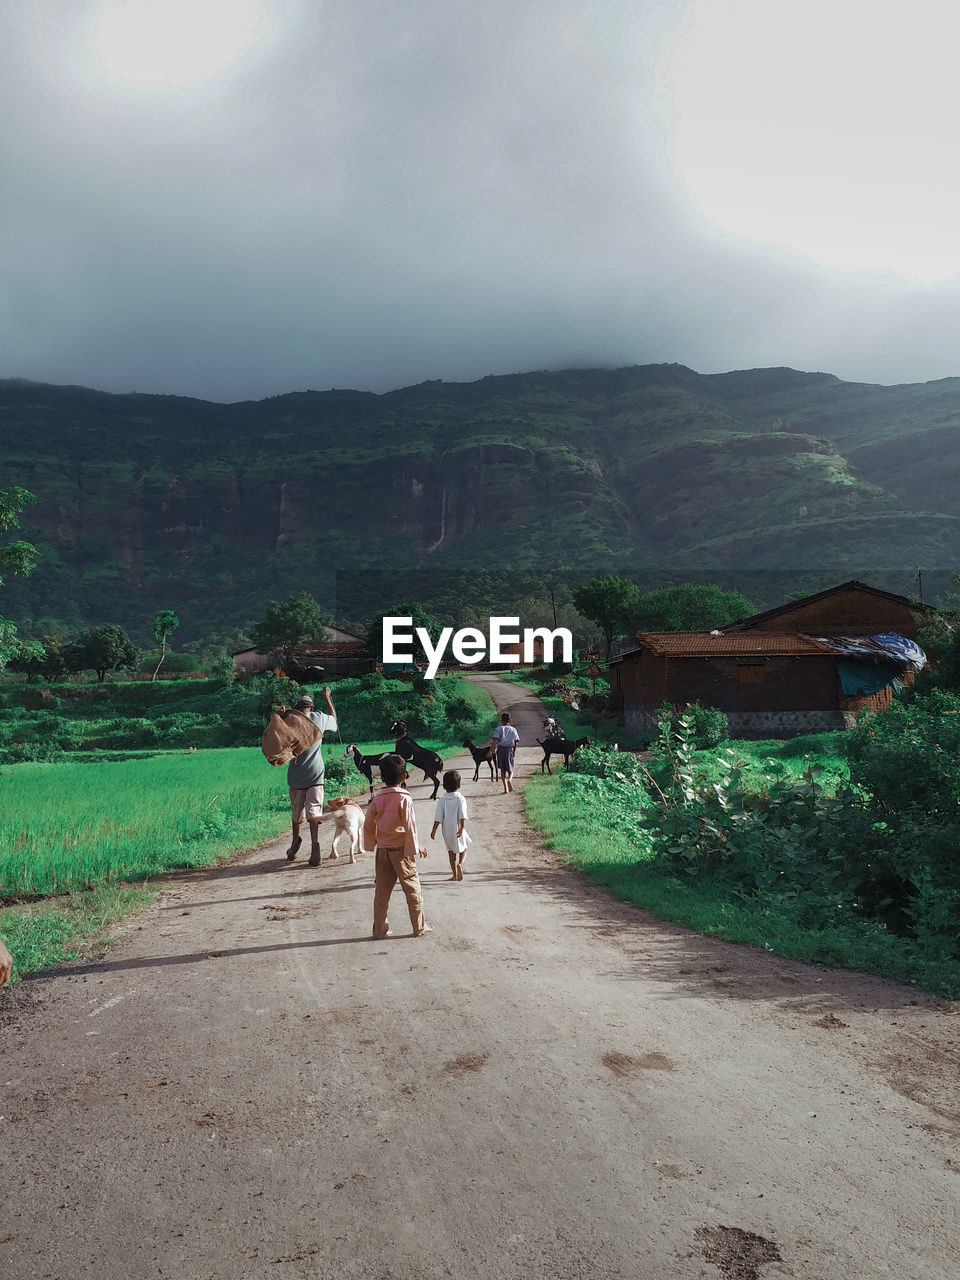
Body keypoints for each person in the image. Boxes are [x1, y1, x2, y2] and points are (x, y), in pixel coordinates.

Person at [363, 754, 432, 938]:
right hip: (402, 852)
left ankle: (379, 930)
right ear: (404, 777)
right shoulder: (405, 798)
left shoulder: (377, 799)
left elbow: (368, 823)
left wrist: (372, 843)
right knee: (412, 890)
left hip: (383, 851)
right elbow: (410, 826)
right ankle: (419, 927)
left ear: (382, 778)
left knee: (382, 894)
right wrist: (415, 847)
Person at [286, 686, 338, 866]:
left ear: (297, 708)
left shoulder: (289, 721)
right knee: (314, 810)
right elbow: (335, 722)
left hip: (295, 775)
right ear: (311, 707)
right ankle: (315, 849)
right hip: (316, 773)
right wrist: (327, 697)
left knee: (296, 811)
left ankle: (294, 843)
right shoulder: (319, 719)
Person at [431, 769, 471, 880]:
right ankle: (461, 864)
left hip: (446, 831)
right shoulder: (460, 798)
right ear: (459, 785)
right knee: (464, 848)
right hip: (458, 829)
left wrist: (433, 830)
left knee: (451, 852)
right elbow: (463, 814)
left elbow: (438, 816)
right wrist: (462, 827)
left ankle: (454, 875)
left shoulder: (442, 799)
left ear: (444, 786)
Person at [490, 711, 520, 794]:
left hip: (501, 750)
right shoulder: (513, 730)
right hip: (509, 750)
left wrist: (491, 751)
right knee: (511, 769)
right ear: (510, 721)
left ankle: (505, 788)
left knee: (502, 770)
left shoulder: (498, 729)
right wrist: (514, 752)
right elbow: (516, 742)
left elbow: (495, 740)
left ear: (501, 720)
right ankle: (509, 780)